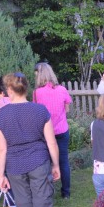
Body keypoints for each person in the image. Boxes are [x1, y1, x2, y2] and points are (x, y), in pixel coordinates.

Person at [0, 72, 61, 207]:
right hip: (39, 162)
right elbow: (51, 142)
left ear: (9, 90)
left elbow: (1, 149)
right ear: (25, 88)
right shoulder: (40, 111)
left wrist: (1, 175)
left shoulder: (1, 114)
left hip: (14, 166)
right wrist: (56, 165)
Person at [33, 62, 73, 199]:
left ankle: (48, 192)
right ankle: (66, 193)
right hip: (62, 131)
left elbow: (37, 113)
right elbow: (67, 109)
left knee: (45, 162)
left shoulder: (37, 93)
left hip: (45, 133)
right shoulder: (62, 89)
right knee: (63, 161)